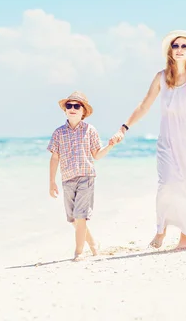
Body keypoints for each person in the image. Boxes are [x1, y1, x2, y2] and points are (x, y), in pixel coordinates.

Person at [110, 30, 186, 250]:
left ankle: (185, 238)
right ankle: (161, 230)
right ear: (170, 51)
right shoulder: (161, 77)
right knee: (167, 185)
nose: (180, 50)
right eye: (176, 46)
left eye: (184, 46)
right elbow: (145, 105)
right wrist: (124, 127)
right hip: (168, 141)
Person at [47, 91, 115, 261]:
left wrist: (110, 146)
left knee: (80, 216)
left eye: (77, 106)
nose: (72, 108)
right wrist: (51, 182)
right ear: (65, 110)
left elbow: (97, 155)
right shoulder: (58, 133)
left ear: (83, 111)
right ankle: (93, 244)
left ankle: (78, 252)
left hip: (86, 177)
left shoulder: (90, 130)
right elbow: (55, 157)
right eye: (69, 106)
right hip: (67, 179)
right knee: (73, 219)